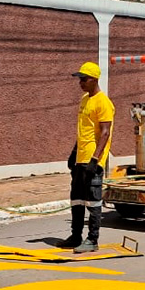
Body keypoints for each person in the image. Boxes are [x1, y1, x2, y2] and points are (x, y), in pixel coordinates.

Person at [60, 61, 114, 254]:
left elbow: (105, 133)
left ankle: (93, 239)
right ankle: (76, 236)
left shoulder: (103, 102)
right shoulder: (84, 99)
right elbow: (82, 131)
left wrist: (95, 160)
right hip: (80, 159)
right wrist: (73, 153)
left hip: (93, 160)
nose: (80, 82)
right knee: (76, 199)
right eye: (79, 79)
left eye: (84, 79)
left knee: (93, 201)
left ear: (94, 79)